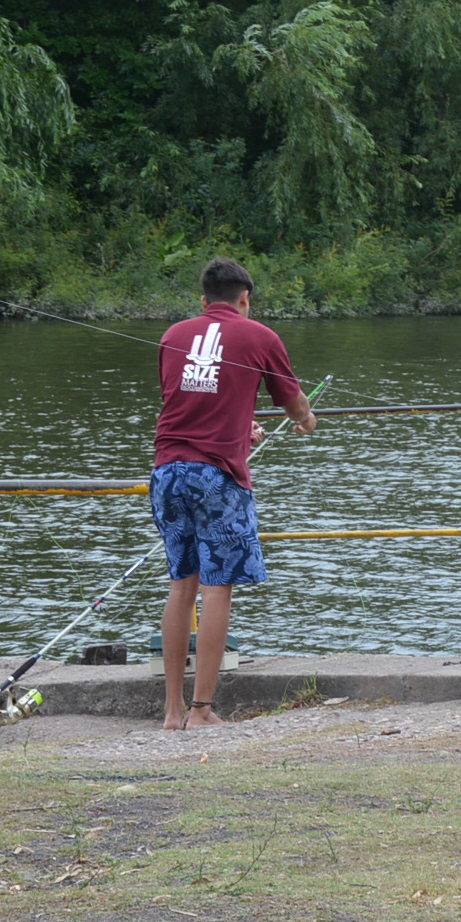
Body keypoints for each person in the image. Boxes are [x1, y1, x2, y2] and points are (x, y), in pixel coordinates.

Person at [152, 258, 316, 729]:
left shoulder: (172, 335)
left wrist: (241, 426)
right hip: (217, 478)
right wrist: (305, 420)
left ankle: (172, 710)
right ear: (245, 298)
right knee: (216, 587)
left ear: (203, 301)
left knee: (181, 586)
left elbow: (185, 402)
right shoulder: (260, 336)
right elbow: (293, 402)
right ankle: (203, 711)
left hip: (167, 471)